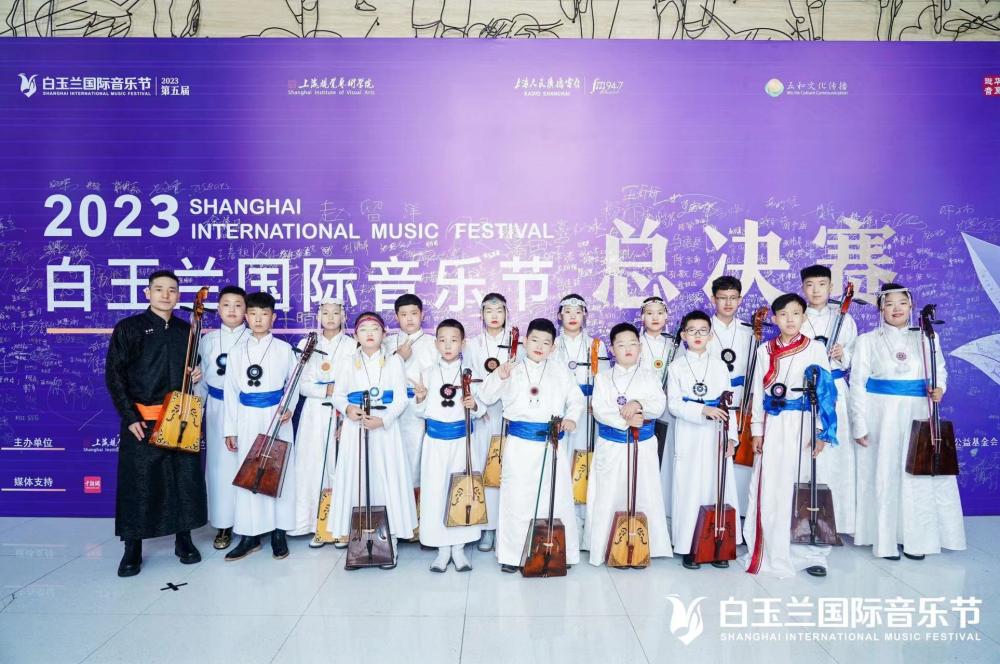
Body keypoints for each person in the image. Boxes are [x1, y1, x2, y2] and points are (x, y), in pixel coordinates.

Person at [848, 283, 966, 560]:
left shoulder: (926, 337)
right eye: (889, 304)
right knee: (885, 473)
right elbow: (857, 384)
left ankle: (917, 540)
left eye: (902, 303)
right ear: (880, 309)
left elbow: (939, 370)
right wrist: (859, 423)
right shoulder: (868, 340)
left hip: (917, 411)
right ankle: (885, 540)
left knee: (916, 474)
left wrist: (940, 388)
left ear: (911, 306)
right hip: (881, 414)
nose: (896, 309)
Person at [105, 270, 207, 577]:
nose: (166, 295)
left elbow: (193, 368)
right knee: (139, 484)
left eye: (172, 290)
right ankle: (132, 547)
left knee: (183, 480)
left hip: (179, 418)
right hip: (142, 419)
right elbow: (114, 375)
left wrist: (197, 373)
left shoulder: (187, 330)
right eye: (159, 289)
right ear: (147, 293)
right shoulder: (129, 328)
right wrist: (130, 416)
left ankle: (184, 540)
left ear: (178, 296)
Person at [479, 318, 585, 572]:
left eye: (546, 342)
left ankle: (557, 552)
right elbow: (485, 396)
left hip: (551, 443)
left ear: (553, 347)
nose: (539, 346)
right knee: (516, 499)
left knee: (556, 497)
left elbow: (576, 399)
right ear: (525, 341)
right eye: (535, 340)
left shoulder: (560, 370)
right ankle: (512, 556)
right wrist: (499, 377)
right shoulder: (511, 367)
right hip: (519, 444)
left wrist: (572, 418)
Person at [743, 293, 838, 578]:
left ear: (804, 317)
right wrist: (756, 430)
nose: (790, 319)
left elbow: (826, 393)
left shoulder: (815, 349)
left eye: (796, 313)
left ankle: (810, 553)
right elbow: (758, 392)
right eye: (783, 314)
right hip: (774, 423)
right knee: (772, 484)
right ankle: (771, 547)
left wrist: (822, 431)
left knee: (804, 484)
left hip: (804, 423)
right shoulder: (765, 350)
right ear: (774, 319)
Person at [330, 311, 418, 568]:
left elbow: (401, 399)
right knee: (357, 479)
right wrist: (348, 409)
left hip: (385, 430)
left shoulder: (394, 361)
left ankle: (390, 541)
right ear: (355, 335)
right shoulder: (347, 362)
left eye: (375, 329)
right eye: (363, 330)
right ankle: (358, 541)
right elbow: (338, 395)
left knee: (387, 480)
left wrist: (384, 420)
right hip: (355, 428)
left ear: (384, 334)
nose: (369, 334)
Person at [585, 322, 671, 566]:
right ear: (612, 350)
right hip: (611, 445)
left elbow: (659, 405)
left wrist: (638, 404)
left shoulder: (650, 376)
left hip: (643, 445)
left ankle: (644, 546)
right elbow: (599, 410)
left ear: (640, 347)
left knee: (645, 491)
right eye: (621, 345)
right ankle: (604, 545)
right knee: (608, 493)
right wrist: (627, 420)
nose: (628, 349)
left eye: (633, 344)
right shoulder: (602, 378)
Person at [223, 292, 298, 562]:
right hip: (246, 417)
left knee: (279, 472)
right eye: (253, 314)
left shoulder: (283, 349)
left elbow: (294, 383)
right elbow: (231, 391)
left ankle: (279, 532)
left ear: (273, 318)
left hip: (276, 416)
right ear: (246, 317)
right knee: (248, 473)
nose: (258, 319)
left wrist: (289, 407)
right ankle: (249, 535)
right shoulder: (236, 351)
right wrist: (230, 429)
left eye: (264, 314)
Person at [667, 311, 741, 569]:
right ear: (683, 335)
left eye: (703, 331)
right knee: (689, 487)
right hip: (689, 432)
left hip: (716, 433)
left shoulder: (720, 366)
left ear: (711, 335)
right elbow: (674, 404)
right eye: (692, 330)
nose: (697, 335)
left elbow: (729, 404)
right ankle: (689, 546)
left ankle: (719, 543)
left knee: (717, 485)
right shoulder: (676, 367)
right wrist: (702, 410)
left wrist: (731, 438)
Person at [411, 319, 486, 572]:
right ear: (436, 344)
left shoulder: (471, 373)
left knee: (462, 491)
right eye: (442, 340)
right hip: (435, 443)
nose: (448, 345)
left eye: (454, 340)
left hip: (462, 442)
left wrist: (474, 405)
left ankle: (459, 548)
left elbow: (481, 408)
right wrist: (420, 398)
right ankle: (442, 550)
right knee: (436, 492)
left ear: (463, 343)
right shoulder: (428, 373)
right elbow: (419, 412)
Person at [290, 298, 356, 545]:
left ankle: (340, 527)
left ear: (343, 316)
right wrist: (326, 390)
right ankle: (314, 525)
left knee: (339, 468)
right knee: (311, 465)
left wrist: (339, 399)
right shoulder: (306, 343)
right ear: (318, 316)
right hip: (313, 413)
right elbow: (300, 383)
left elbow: (356, 382)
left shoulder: (352, 344)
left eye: (335, 313)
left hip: (342, 411)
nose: (330, 317)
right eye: (325, 313)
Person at [800, 264, 858, 536]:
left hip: (835, 390)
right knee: (808, 453)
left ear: (831, 287)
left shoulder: (844, 319)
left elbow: (856, 357)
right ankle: (804, 520)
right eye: (810, 285)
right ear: (803, 288)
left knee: (837, 456)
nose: (816, 290)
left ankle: (839, 522)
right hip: (807, 391)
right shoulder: (797, 316)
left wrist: (842, 354)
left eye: (822, 284)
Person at [462, 292, 515, 552]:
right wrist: (478, 407)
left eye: (499, 311)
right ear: (481, 315)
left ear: (506, 313)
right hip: (482, 412)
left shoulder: (516, 343)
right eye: (489, 311)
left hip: (508, 411)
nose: (494, 316)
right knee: (484, 467)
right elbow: (467, 378)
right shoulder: (472, 344)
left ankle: (505, 527)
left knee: (506, 469)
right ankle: (486, 527)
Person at [553, 294, 609, 541]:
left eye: (578, 311)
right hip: (562, 409)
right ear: (559, 316)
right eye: (567, 311)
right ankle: (565, 516)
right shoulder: (553, 344)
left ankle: (586, 518)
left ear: (585, 314)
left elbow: (604, 380)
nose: (573, 316)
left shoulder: (596, 345)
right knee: (564, 457)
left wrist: (596, 403)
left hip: (588, 409)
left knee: (586, 457)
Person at [197, 285, 247, 551]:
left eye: (238, 305)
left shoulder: (254, 338)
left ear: (247, 310)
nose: (232, 310)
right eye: (226, 305)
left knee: (248, 464)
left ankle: (250, 524)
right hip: (217, 407)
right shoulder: (208, 340)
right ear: (218, 309)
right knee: (220, 467)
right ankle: (223, 524)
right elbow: (201, 380)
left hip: (247, 408)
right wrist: (197, 412)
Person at [383, 293, 438, 523]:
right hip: (391, 409)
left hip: (419, 409)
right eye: (404, 314)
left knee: (418, 463)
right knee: (393, 462)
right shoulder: (387, 343)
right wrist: (398, 357)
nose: (409, 319)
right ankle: (396, 519)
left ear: (422, 315)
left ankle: (418, 521)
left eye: (414, 313)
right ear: (396, 317)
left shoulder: (433, 343)